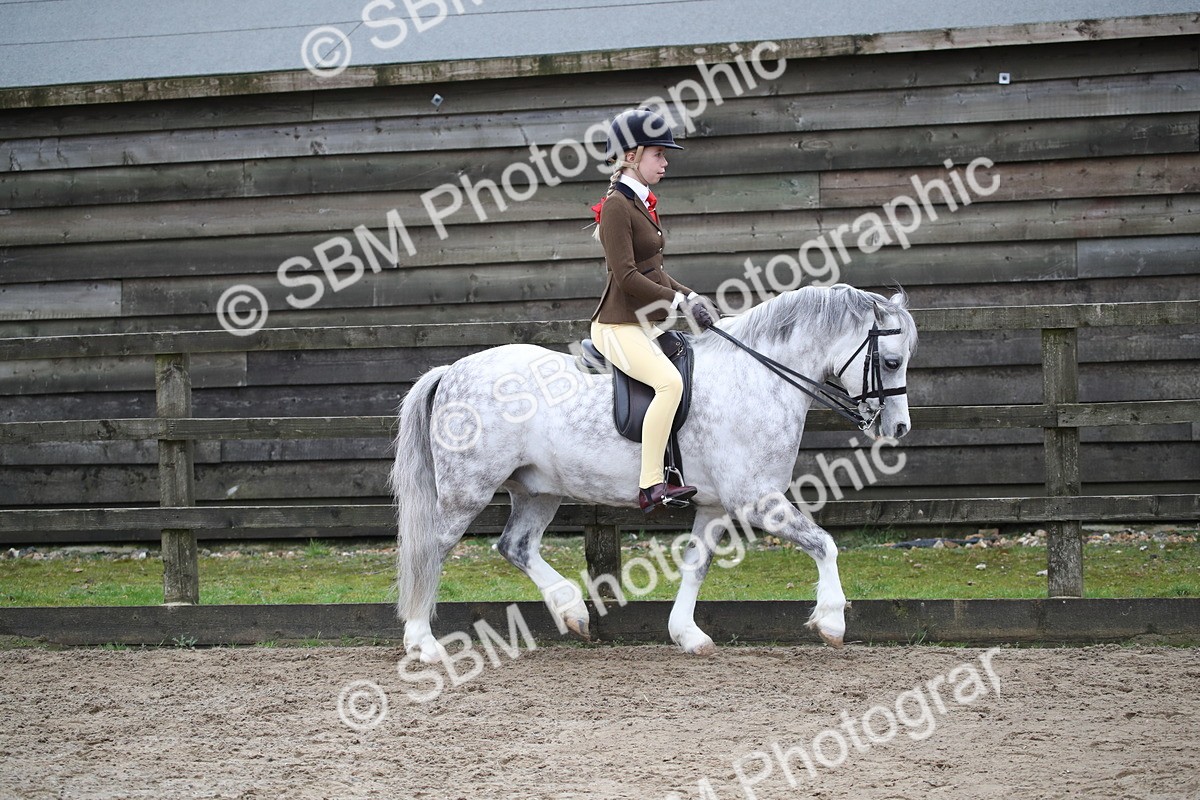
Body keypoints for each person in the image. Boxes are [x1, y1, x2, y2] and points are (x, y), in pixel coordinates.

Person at [589, 108, 716, 514]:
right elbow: (626, 277)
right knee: (668, 384)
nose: (665, 162)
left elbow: (653, 270)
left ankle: (679, 467)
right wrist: (676, 302)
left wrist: (689, 294)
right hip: (617, 325)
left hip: (643, 324)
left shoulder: (640, 203)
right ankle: (650, 486)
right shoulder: (616, 207)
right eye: (658, 154)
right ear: (631, 155)